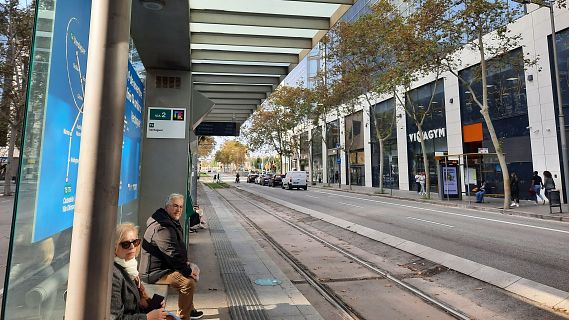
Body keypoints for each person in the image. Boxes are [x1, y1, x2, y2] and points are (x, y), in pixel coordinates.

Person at [140, 194, 203, 320]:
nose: (178, 209)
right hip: (155, 273)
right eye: (175, 206)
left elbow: (174, 251)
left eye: (180, 206)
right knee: (188, 283)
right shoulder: (163, 227)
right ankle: (184, 317)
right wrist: (187, 270)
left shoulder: (168, 220)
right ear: (167, 206)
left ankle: (189, 309)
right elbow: (172, 254)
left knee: (193, 272)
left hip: (164, 266)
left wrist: (187, 264)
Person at [111, 223, 170, 320]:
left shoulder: (131, 267)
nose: (132, 247)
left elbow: (136, 305)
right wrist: (148, 317)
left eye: (135, 242)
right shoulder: (114, 275)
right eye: (125, 244)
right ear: (114, 247)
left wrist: (150, 304)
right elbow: (115, 318)